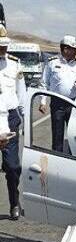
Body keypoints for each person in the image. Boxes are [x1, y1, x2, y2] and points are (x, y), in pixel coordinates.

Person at [39, 35, 76, 152]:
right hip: (57, 104)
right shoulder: (52, 63)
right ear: (65, 49)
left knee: (74, 135)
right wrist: (43, 102)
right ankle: (57, 159)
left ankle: (72, 158)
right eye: (74, 49)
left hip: (73, 104)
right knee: (57, 135)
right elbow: (44, 83)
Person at [0, 27, 27, 220]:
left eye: (4, 46)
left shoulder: (14, 65)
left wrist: (24, 118)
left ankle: (14, 202)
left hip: (10, 118)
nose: (2, 49)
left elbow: (21, 92)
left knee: (11, 166)